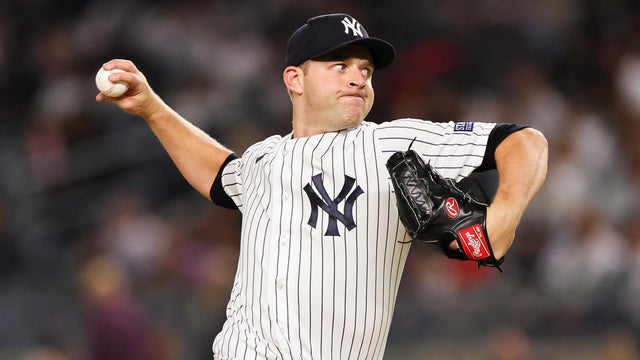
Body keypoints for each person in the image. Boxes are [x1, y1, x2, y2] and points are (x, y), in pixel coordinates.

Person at [96, 13, 548, 360]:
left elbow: (524, 142)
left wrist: (501, 220)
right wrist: (153, 109)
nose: (358, 77)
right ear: (294, 78)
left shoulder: (391, 142)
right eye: (339, 65)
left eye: (365, 69)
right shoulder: (264, 158)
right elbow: (218, 175)